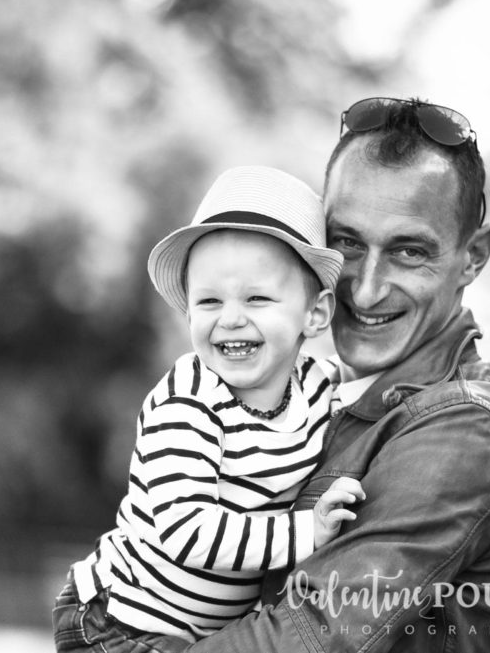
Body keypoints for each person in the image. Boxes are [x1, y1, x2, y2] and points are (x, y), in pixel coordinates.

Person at [184, 97, 490, 652]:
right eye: (347, 242)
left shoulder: (462, 432)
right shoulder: (307, 396)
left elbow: (303, 641)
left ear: (473, 257)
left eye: (408, 252)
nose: (366, 288)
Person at [54, 166, 366, 651]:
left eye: (258, 298)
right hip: (121, 620)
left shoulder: (319, 387)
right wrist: (308, 530)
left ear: (316, 313)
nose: (231, 319)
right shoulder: (189, 400)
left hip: (199, 634)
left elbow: (379, 395)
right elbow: (187, 531)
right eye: (209, 301)